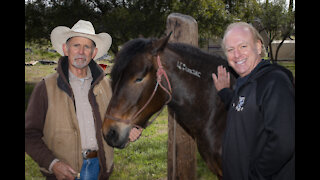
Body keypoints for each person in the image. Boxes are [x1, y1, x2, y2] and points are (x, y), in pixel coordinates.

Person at [25, 20, 143, 180]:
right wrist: (53, 164)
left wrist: (129, 131)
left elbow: (118, 123)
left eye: (87, 47)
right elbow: (29, 134)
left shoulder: (107, 86)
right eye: (76, 45)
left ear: (94, 53)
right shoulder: (46, 87)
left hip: (99, 168)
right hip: (63, 172)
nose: (81, 51)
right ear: (65, 49)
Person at [212, 22, 295, 180]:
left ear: (258, 47)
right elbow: (246, 110)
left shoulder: (273, 82)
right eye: (230, 50)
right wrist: (224, 91)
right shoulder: (246, 82)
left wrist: (255, 176)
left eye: (243, 46)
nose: (237, 54)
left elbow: (283, 143)